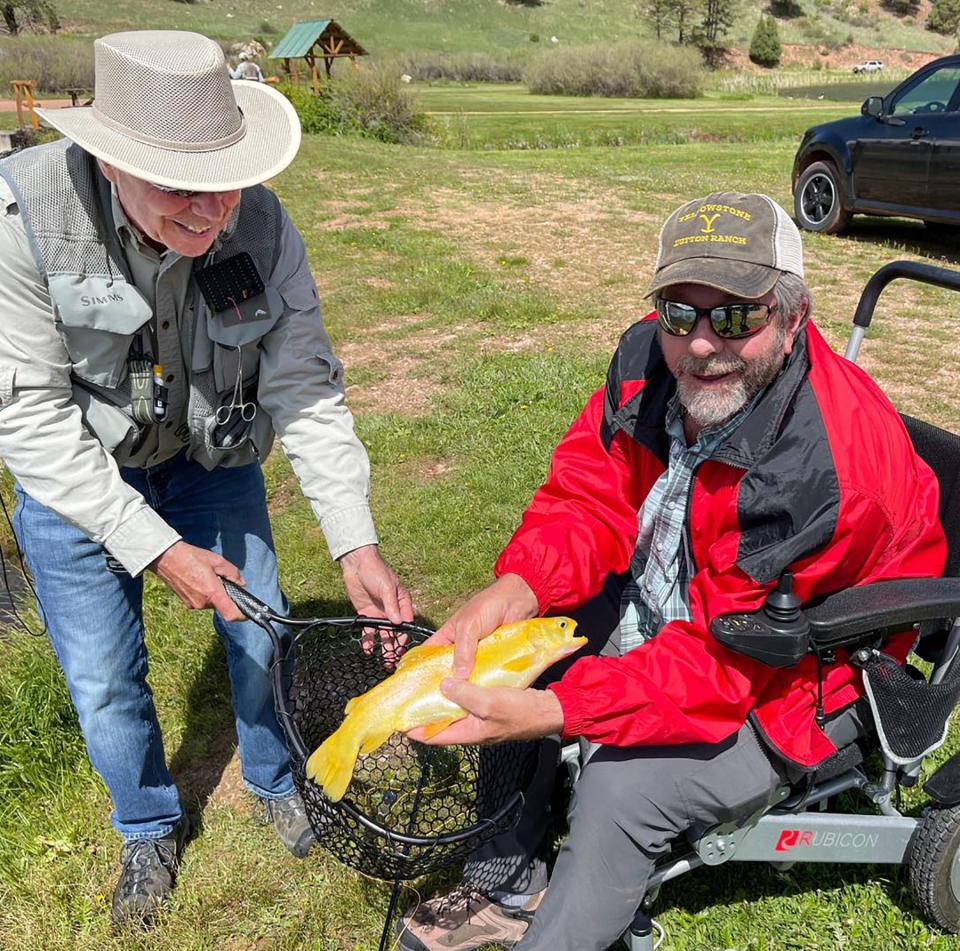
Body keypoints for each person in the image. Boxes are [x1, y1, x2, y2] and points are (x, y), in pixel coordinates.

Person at [395, 192, 947, 951]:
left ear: (794, 316)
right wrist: (519, 586)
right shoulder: (646, 364)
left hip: (804, 670)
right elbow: (592, 495)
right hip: (689, 590)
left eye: (735, 317)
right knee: (515, 650)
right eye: (679, 313)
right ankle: (507, 885)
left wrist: (560, 711)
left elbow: (720, 669)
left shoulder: (821, 476)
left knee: (620, 786)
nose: (698, 345)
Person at [0, 31, 412, 927]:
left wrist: (355, 540)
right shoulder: (19, 219)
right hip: (79, 478)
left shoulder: (262, 224)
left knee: (264, 632)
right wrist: (157, 549)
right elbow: (30, 420)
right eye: (177, 185)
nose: (211, 209)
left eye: (224, 175)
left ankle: (272, 776)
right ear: (111, 165)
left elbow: (305, 384)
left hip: (209, 461)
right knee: (104, 677)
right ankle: (146, 822)